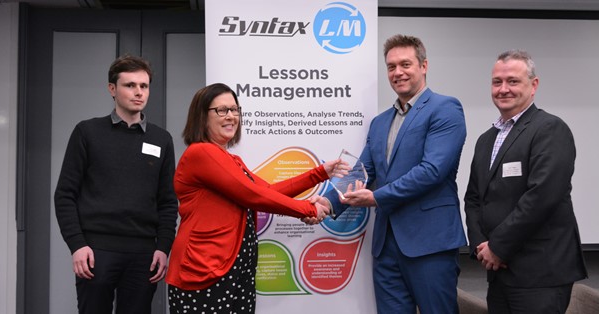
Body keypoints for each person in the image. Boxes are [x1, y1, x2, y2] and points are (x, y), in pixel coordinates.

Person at [310, 34, 467, 313]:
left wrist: (377, 198)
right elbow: (364, 171)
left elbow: (432, 171)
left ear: (424, 65)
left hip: (429, 243)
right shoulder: (380, 122)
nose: (398, 72)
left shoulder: (445, 109)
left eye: (405, 64)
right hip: (386, 246)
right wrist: (328, 202)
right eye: (391, 66)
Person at [165, 83, 342, 314]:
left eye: (234, 109)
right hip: (204, 269)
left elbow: (269, 192)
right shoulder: (201, 153)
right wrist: (308, 209)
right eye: (221, 110)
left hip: (236, 268)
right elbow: (253, 196)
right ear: (202, 116)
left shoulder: (231, 159)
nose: (231, 116)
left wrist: (319, 174)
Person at [464, 49, 588, 313]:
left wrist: (497, 247)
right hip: (497, 271)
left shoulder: (550, 129)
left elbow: (542, 197)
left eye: (513, 81)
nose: (503, 89)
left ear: (534, 85)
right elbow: (474, 198)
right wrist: (480, 247)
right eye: (497, 82)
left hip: (540, 274)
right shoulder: (487, 139)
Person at [54, 54, 178, 313]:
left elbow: (168, 201)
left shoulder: (161, 139)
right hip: (96, 251)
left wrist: (163, 248)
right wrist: (77, 245)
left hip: (144, 253)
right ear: (112, 89)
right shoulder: (87, 132)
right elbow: (65, 194)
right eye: (130, 85)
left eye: (144, 86)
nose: (138, 92)